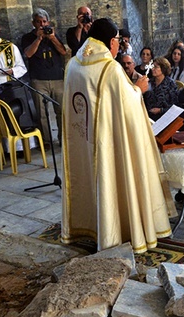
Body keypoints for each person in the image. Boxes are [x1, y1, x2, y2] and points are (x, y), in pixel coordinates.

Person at [61, 18, 172, 253]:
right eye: (118, 42)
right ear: (112, 41)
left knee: (86, 178)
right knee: (108, 179)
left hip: (81, 139)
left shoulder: (72, 64)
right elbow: (126, 104)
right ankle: (111, 231)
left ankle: (89, 226)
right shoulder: (109, 68)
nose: (118, 47)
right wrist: (138, 89)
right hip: (104, 143)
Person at [21, 8, 66, 145]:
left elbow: (63, 51)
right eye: (38, 22)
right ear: (33, 23)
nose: (42, 25)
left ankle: (63, 139)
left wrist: (52, 38)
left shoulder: (53, 35)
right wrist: (39, 38)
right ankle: (46, 142)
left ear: (48, 22)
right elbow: (28, 54)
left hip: (57, 78)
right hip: (38, 79)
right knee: (41, 113)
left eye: (44, 22)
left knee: (61, 110)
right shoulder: (27, 37)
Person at [143, 57, 178, 121]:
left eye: (156, 67)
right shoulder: (149, 82)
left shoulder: (171, 84)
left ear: (163, 69)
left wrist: (160, 110)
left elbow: (174, 106)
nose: (153, 69)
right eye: (152, 66)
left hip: (164, 117)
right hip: (148, 117)